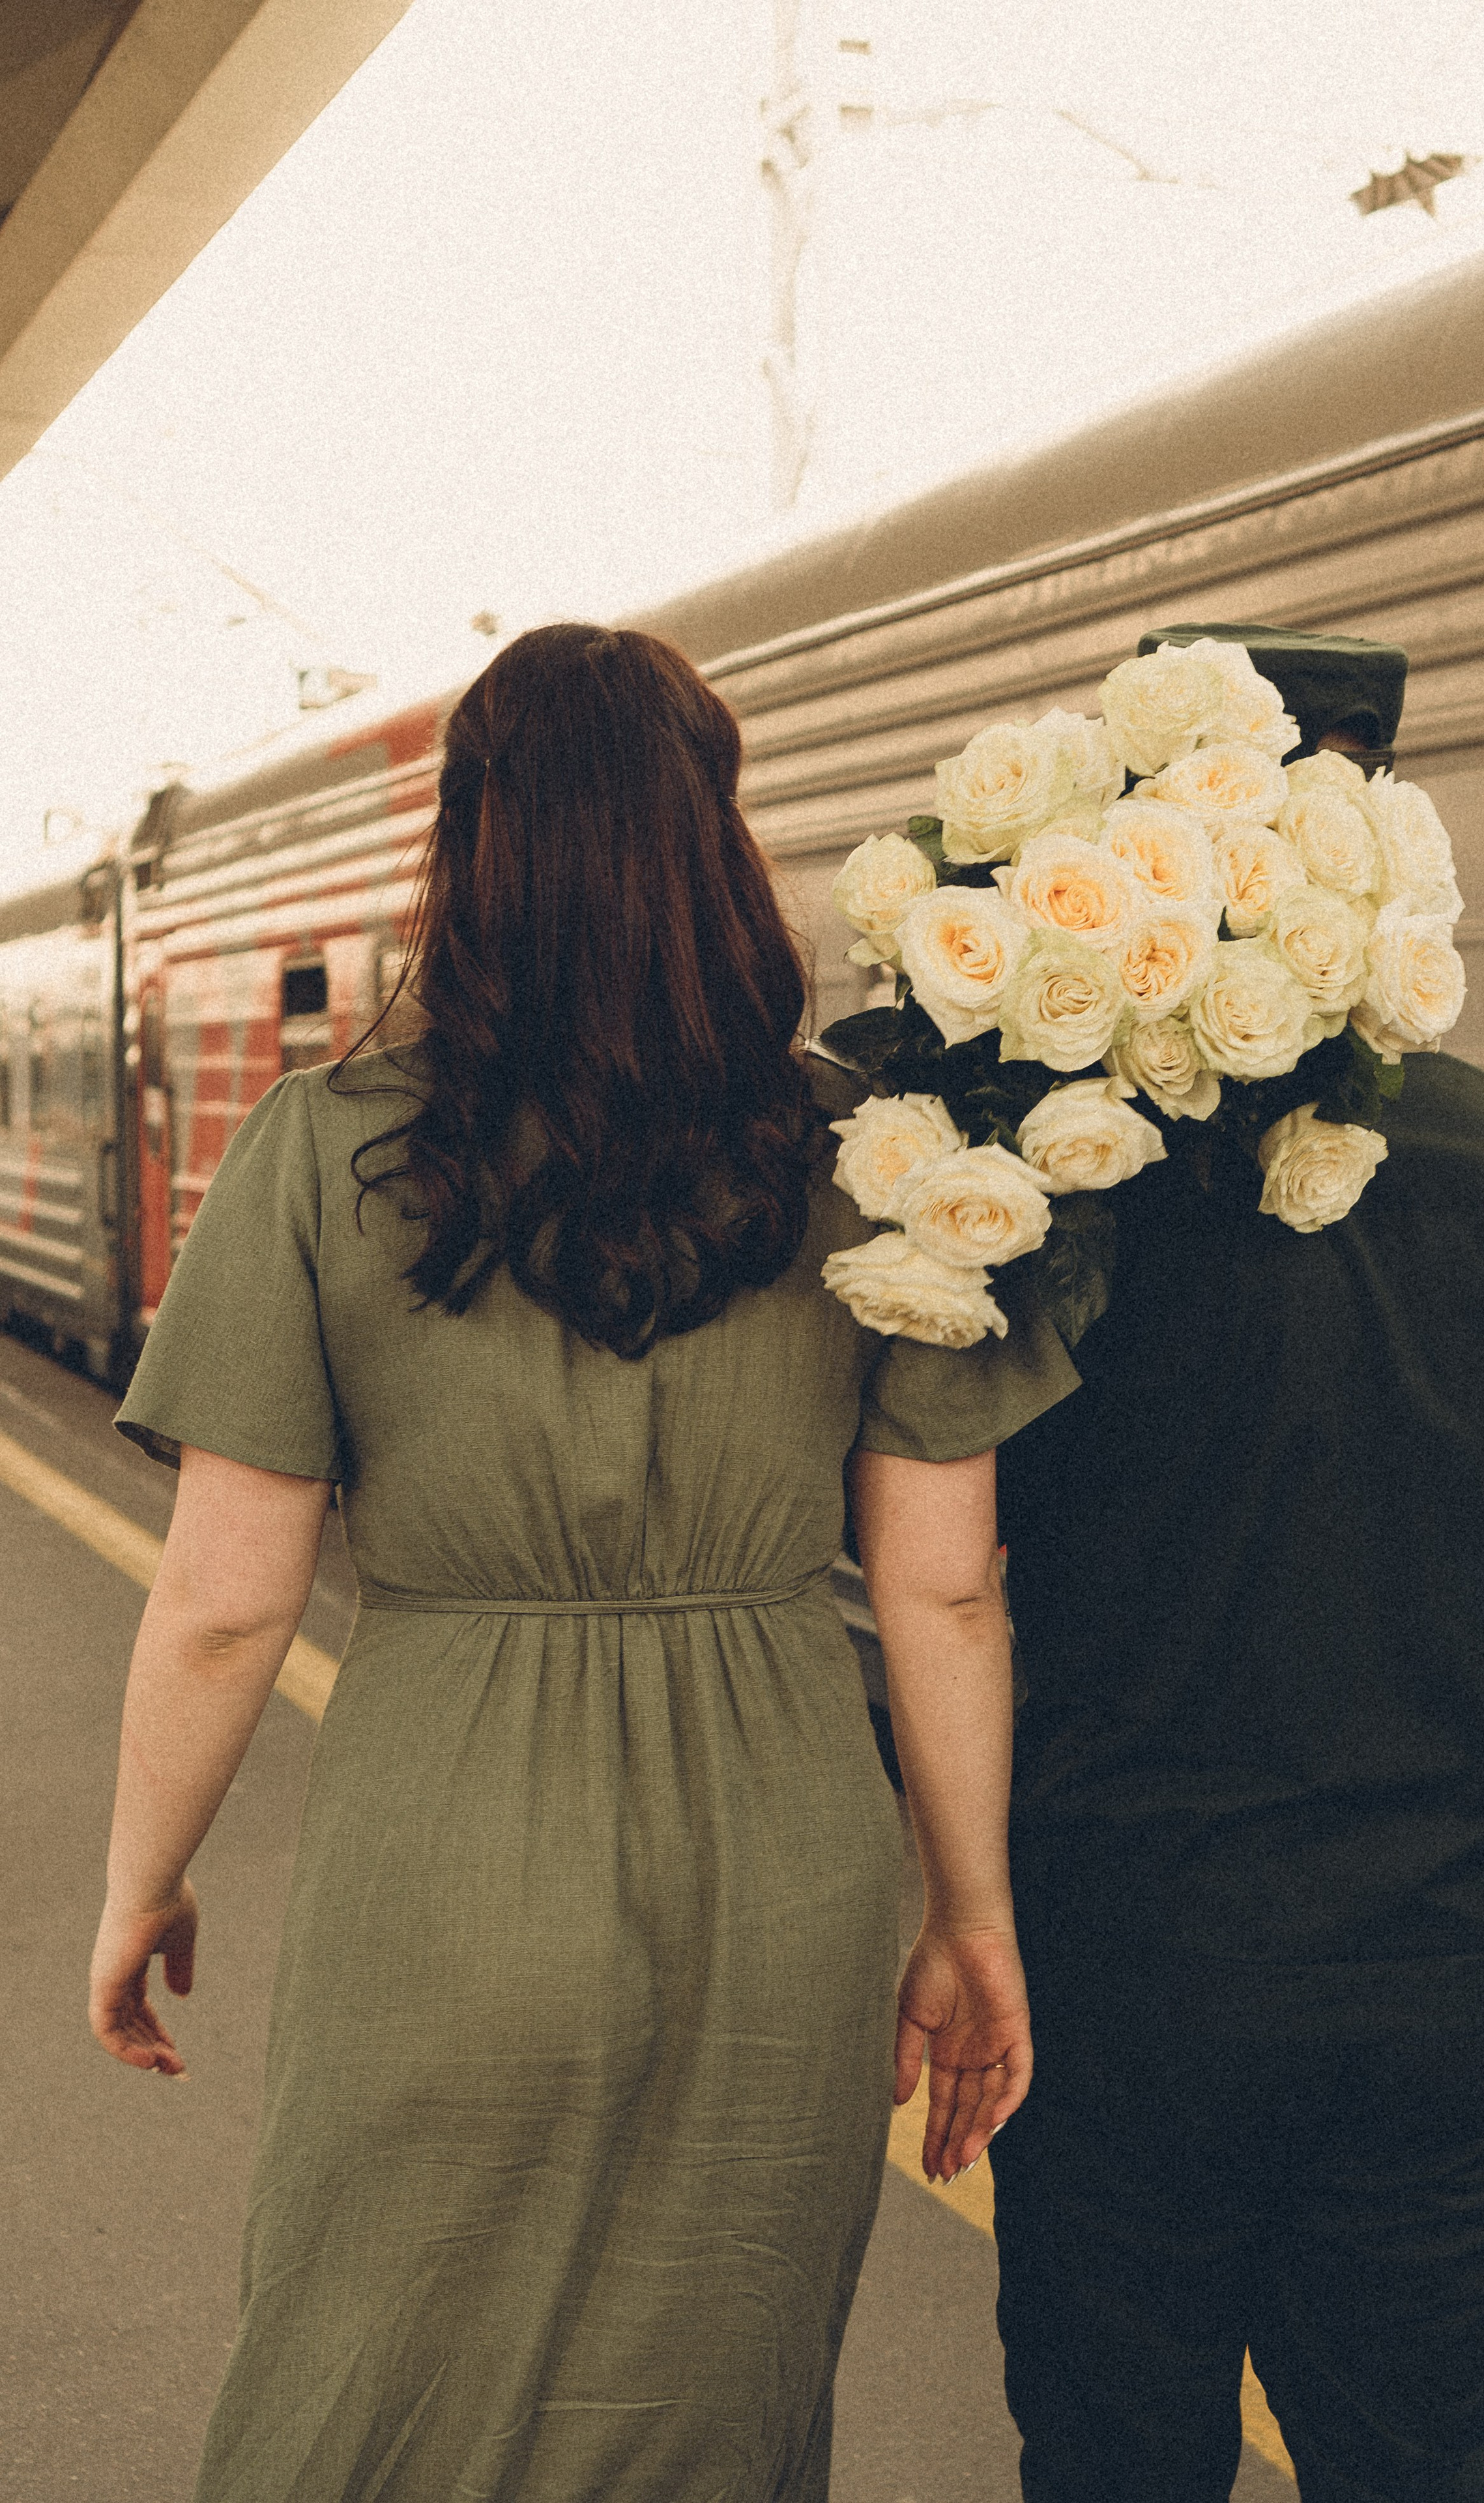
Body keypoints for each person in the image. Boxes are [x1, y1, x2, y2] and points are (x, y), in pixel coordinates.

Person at [88, 623, 1073, 2503]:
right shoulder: (865, 1153)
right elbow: (947, 1591)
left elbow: (227, 1604)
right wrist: (974, 1915)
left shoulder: (326, 1148)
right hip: (784, 1855)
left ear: (469, 851)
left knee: (371, 2379)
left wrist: (144, 1879)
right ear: (716, 845)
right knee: (713, 2400)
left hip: (445, 1851)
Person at [986, 622, 1484, 2503]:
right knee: (1444, 2439)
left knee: (1120, 2454)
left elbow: (956, 1585)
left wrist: (967, 1919)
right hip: (1434, 1979)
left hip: (1122, 1978)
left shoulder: (1058, 1198)